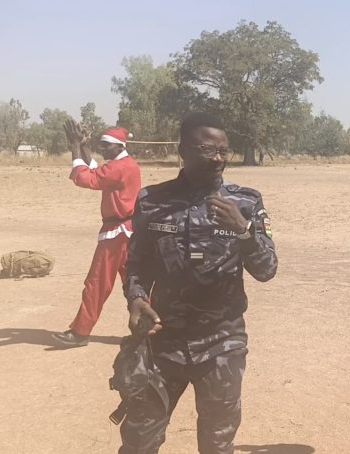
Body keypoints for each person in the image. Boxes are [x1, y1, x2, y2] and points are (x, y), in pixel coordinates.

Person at [120, 112, 278, 454]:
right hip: (161, 342)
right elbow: (136, 263)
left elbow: (267, 269)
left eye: (224, 151)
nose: (219, 158)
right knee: (138, 441)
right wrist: (134, 298)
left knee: (218, 444)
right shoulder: (152, 201)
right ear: (183, 150)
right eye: (208, 150)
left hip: (222, 342)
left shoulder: (247, 202)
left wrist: (244, 231)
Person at [53, 121, 142, 347]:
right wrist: (84, 147)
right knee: (134, 283)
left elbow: (86, 178)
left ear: (118, 146)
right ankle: (149, 331)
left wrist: (74, 145)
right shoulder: (124, 165)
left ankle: (80, 333)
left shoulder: (119, 168)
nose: (102, 150)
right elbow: (98, 171)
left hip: (116, 235)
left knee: (97, 283)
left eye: (105, 146)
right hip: (128, 232)